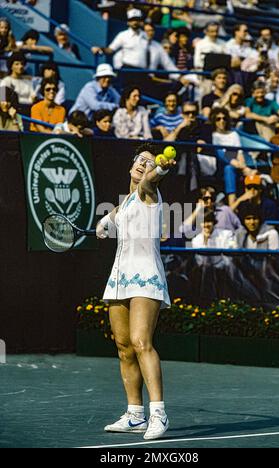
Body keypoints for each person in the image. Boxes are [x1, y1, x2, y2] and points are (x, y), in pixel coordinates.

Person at [96, 143, 176, 440]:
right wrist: (105, 221)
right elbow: (120, 209)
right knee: (124, 346)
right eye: (140, 160)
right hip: (119, 278)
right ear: (131, 164)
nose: (144, 165)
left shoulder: (148, 190)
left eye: (149, 162)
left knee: (142, 341)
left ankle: (159, 414)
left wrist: (162, 167)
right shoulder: (126, 202)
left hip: (146, 277)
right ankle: (135, 415)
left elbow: (148, 181)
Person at [211, 107, 256, 204]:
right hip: (220, 164)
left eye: (224, 118)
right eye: (218, 119)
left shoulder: (233, 134)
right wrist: (245, 168)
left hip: (235, 162)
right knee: (228, 166)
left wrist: (242, 166)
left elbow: (239, 153)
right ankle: (232, 202)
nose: (222, 121)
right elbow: (220, 154)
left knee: (230, 166)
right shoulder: (213, 135)